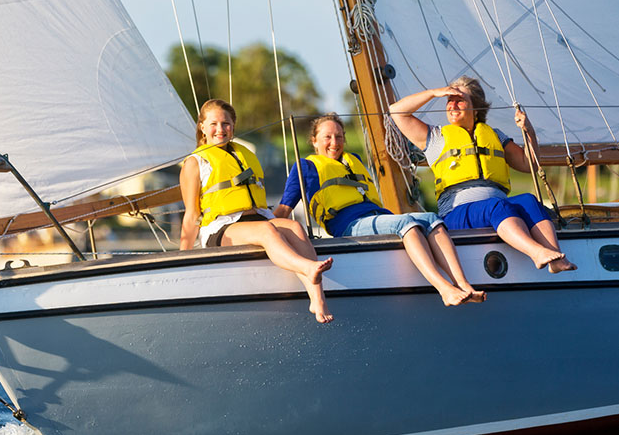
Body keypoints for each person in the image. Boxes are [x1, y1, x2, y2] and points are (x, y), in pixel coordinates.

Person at [274, 113, 485, 306]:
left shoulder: (353, 161)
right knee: (406, 223)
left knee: (431, 218)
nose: (334, 143)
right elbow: (284, 209)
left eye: (339, 137)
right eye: (327, 137)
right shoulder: (305, 167)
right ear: (314, 141)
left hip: (378, 216)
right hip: (348, 224)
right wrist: (268, 233)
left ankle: (464, 284)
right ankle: (444, 289)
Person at [390, 76, 577, 273]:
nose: (452, 105)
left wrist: (528, 131)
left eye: (459, 100)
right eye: (449, 100)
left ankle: (556, 258)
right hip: (456, 213)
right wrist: (434, 93)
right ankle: (537, 252)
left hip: (497, 205)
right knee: (497, 206)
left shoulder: (495, 135)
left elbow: (526, 164)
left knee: (528, 201)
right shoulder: (435, 137)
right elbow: (396, 112)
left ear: (476, 108)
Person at [179, 99, 334, 323]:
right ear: (202, 126)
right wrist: (183, 258)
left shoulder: (243, 154)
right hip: (221, 228)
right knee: (266, 231)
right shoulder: (195, 163)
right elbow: (191, 215)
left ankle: (318, 300)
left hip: (257, 217)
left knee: (294, 226)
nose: (220, 129)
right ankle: (308, 267)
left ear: (233, 126)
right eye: (214, 124)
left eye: (226, 123)